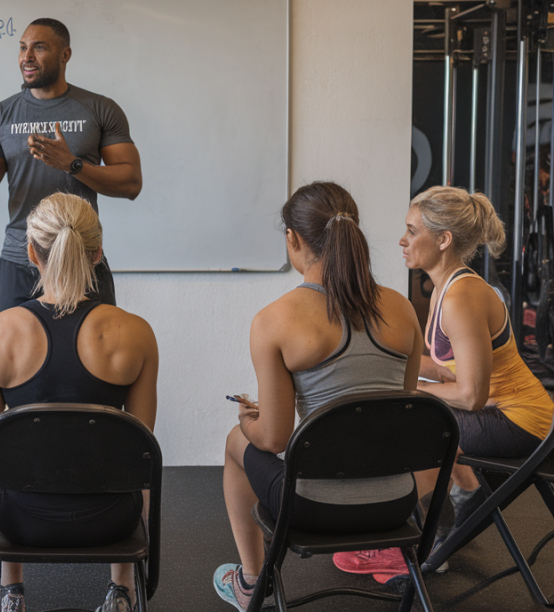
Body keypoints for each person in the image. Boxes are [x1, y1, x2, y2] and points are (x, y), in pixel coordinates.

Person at [214, 182, 423, 612]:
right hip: (397, 503)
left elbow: (274, 439)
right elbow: (401, 412)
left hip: (315, 509)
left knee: (238, 442)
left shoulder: (275, 320)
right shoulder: (403, 309)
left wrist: (248, 418)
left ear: (293, 239)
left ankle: (252, 581)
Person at [0, 193, 158, 612]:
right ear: (98, 254)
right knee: (136, 460)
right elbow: (142, 451)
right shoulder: (136, 334)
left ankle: (11, 590)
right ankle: (122, 590)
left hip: (19, 522)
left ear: (31, 252)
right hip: (114, 522)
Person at [0, 17, 142, 314]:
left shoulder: (99, 109)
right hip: (21, 259)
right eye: (22, 48)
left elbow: (131, 183)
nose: (26, 57)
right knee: (14, 357)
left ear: (64, 55)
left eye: (39, 47)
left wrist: (72, 165)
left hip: (82, 257)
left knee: (94, 354)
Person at [399, 187, 553, 527]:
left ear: (443, 240)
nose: (402, 241)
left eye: (412, 231)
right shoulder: (443, 288)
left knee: (416, 419)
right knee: (404, 402)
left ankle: (427, 536)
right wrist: (385, 373)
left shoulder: (461, 298)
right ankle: (465, 491)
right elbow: (443, 370)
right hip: (498, 411)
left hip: (523, 421)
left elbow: (470, 395)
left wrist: (410, 392)